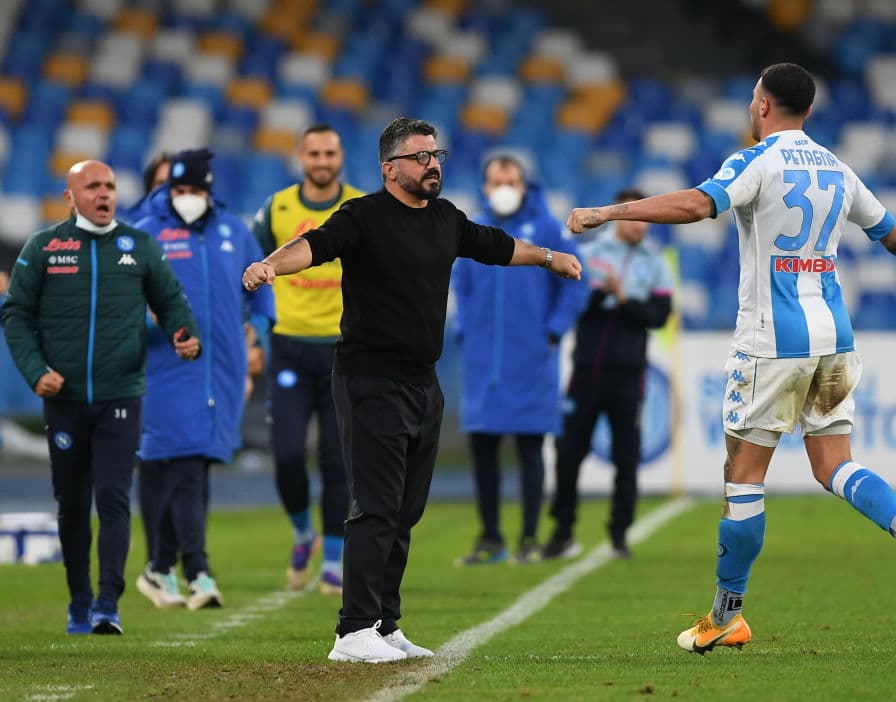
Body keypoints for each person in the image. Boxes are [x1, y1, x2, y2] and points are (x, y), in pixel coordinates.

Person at [566, 63, 896, 654]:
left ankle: (726, 616)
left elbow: (698, 206)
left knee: (742, 479)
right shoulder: (837, 169)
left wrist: (610, 213)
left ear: (764, 106)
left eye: (752, 99)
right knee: (833, 465)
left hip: (772, 345)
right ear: (809, 113)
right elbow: (893, 232)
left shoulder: (756, 162)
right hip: (836, 340)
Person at [242, 117, 582, 663]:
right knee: (376, 506)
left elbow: (494, 245)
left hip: (423, 384)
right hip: (369, 379)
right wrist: (269, 267)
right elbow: (315, 245)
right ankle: (352, 631)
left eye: (437, 155)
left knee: (405, 511)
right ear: (390, 168)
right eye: (421, 156)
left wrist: (548, 257)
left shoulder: (445, 219)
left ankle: (383, 622)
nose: (433, 164)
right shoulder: (364, 215)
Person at [1, 160, 200, 635]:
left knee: (113, 499)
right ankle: (79, 599)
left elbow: (172, 301)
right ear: (70, 197)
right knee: (72, 505)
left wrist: (183, 333)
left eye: (110, 185)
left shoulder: (139, 246)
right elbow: (15, 316)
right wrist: (35, 372)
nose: (104, 193)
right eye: (93, 186)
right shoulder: (44, 248)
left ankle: (107, 604)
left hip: (121, 396)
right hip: (64, 401)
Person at [132, 148, 275, 610]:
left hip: (224, 373)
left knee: (194, 466)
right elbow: (122, 305)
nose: (186, 198)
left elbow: (262, 293)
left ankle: (159, 568)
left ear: (209, 191)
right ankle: (198, 571)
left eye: (194, 190)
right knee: (187, 467)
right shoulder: (145, 234)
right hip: (166, 370)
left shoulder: (234, 232)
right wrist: (152, 323)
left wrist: (260, 340)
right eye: (178, 190)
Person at [452, 154, 587, 566]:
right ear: (485, 186)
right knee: (484, 450)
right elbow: (459, 282)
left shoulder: (547, 229)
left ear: (525, 185)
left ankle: (529, 538)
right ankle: (491, 538)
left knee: (531, 449)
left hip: (532, 358)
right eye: (496, 180)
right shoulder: (471, 230)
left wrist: (552, 330)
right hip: (481, 361)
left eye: (511, 179)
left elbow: (577, 284)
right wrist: (467, 329)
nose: (504, 186)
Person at [251, 124, 365, 595]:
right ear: (301, 156)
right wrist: (253, 337)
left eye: (330, 153)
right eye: (314, 153)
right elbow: (251, 273)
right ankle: (303, 534)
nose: (322, 161)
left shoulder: (361, 207)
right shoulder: (277, 208)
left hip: (344, 349)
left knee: (337, 460)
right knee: (287, 454)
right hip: (289, 346)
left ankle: (334, 561)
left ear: (341, 157)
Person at [544, 187, 674, 561]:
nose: (640, 227)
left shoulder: (657, 262)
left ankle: (619, 534)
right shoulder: (589, 254)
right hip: (586, 370)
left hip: (628, 374)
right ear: (619, 218)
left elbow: (659, 316)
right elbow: (574, 305)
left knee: (626, 457)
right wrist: (607, 296)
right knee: (569, 452)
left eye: (644, 220)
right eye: (633, 218)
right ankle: (562, 530)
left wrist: (622, 298)